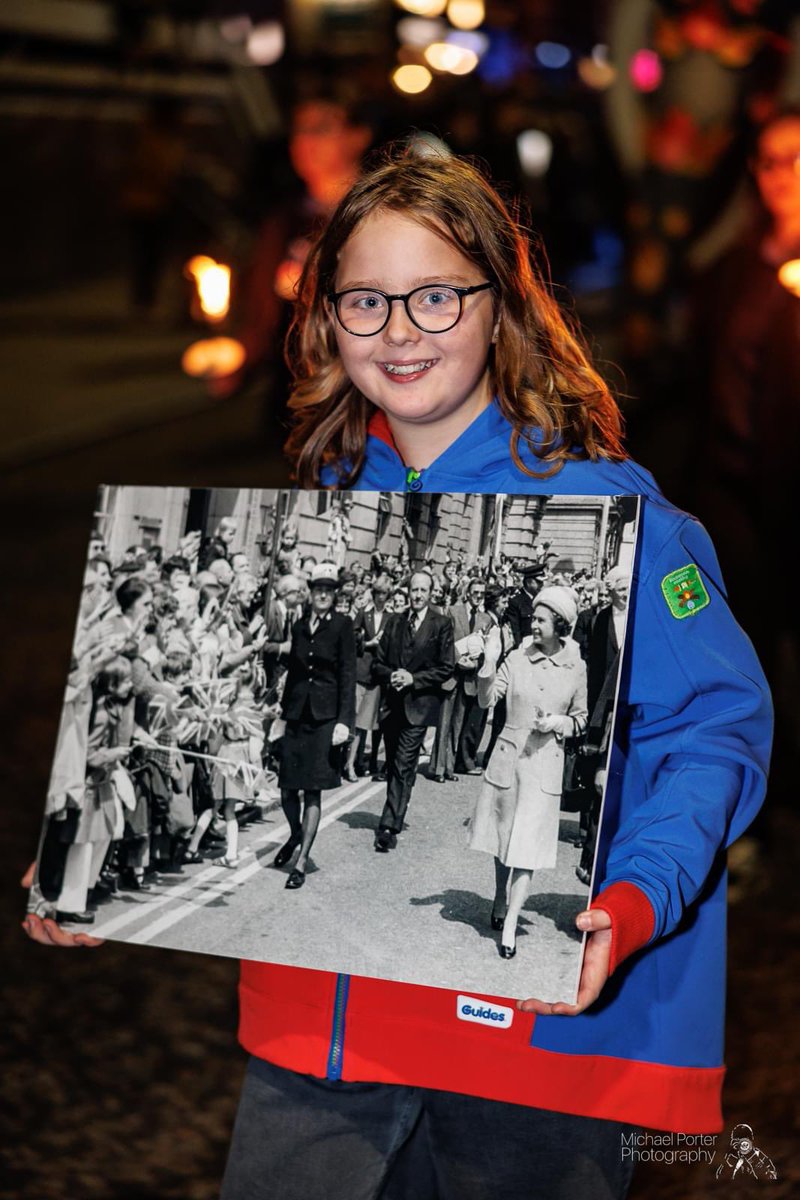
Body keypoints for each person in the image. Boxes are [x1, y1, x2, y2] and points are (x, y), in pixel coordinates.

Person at [25, 151, 772, 1200]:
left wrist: (637, 896)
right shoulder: (320, 494)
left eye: (433, 296)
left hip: (528, 1049)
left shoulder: (620, 514)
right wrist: (83, 869)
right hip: (318, 1047)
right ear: (326, 318)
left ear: (500, 305)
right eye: (365, 301)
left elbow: (711, 728)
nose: (398, 331)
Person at [468, 586, 588, 958]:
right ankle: (500, 897)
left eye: (540, 619)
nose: (533, 624)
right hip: (508, 760)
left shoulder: (576, 667)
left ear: (559, 624)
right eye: (533, 618)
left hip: (544, 767)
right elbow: (487, 700)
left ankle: (510, 923)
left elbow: (582, 720)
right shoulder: (516, 658)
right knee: (504, 841)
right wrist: (487, 666)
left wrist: (558, 722)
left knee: (527, 849)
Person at [272, 562, 356, 888]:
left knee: (312, 793)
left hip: (324, 719)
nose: (323, 594)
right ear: (310, 592)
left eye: (328, 590)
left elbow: (347, 676)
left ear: (334, 595)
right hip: (296, 716)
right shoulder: (298, 627)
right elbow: (293, 674)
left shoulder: (342, 626)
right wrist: (280, 716)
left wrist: (344, 723)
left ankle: (302, 860)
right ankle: (296, 835)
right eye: (318, 589)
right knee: (286, 789)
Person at [370, 571, 455, 851]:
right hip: (392, 707)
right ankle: (400, 798)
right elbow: (377, 663)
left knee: (404, 763)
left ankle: (388, 826)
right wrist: (392, 674)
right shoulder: (395, 622)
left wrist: (414, 679)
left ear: (432, 594)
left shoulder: (441, 624)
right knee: (395, 763)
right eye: (414, 590)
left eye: (423, 590)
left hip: (418, 708)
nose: (417, 595)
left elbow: (446, 667)